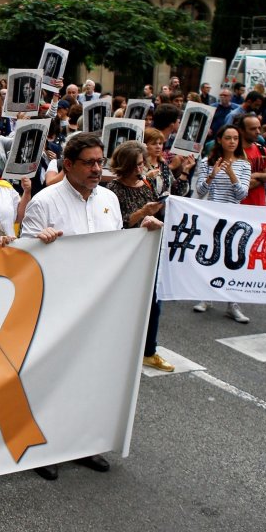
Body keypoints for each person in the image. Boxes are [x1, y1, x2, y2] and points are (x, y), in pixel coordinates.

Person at [21, 132, 161, 480]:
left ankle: (81, 445)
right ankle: (43, 449)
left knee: (89, 378)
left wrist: (142, 230)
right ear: (68, 165)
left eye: (101, 162)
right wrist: (39, 242)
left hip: (99, 308)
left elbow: (116, 245)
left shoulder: (109, 200)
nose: (98, 168)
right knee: (51, 378)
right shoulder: (45, 201)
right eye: (90, 162)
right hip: (56, 307)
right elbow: (22, 257)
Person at [104, 141, 173, 371]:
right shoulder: (113, 189)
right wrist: (143, 213)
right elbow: (120, 222)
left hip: (149, 251)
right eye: (135, 165)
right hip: (127, 255)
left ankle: (149, 350)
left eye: (142, 164)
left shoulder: (145, 183)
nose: (140, 169)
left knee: (154, 302)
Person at [192, 125, 253, 323]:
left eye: (236, 138)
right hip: (212, 216)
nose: (232, 142)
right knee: (211, 256)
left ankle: (232, 304)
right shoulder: (206, 162)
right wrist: (212, 174)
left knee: (233, 259)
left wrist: (231, 174)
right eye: (228, 138)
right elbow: (200, 191)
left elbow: (242, 194)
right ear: (220, 140)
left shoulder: (244, 165)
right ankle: (206, 296)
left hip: (234, 217)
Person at [235, 114, 266, 207]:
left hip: (258, 208)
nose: (258, 132)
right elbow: (241, 185)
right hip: (237, 207)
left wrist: (257, 175)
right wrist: (264, 177)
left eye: (259, 128)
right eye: (253, 129)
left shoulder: (261, 149)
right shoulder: (233, 151)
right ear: (241, 130)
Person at [143, 128, 192, 197]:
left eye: (160, 143)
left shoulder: (163, 165)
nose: (158, 147)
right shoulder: (140, 166)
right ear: (144, 145)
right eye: (154, 144)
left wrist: (185, 170)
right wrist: (147, 178)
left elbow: (177, 191)